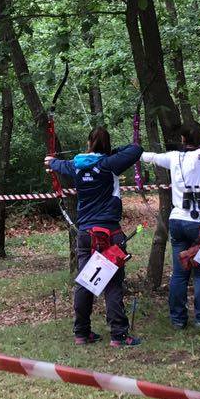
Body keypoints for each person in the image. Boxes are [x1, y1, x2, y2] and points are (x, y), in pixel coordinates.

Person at [44, 126, 144, 347]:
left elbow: (56, 163)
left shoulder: (76, 165)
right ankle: (118, 335)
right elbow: (136, 149)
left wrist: (51, 161)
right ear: (107, 146)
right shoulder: (109, 164)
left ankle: (81, 333)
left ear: (89, 143)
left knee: (85, 282)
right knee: (113, 284)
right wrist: (112, 152)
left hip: (86, 234)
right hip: (110, 233)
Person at [141, 120, 200, 331]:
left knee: (179, 273)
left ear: (182, 139)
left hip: (178, 221)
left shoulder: (174, 157)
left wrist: (133, 151)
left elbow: (150, 157)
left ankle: (178, 320)